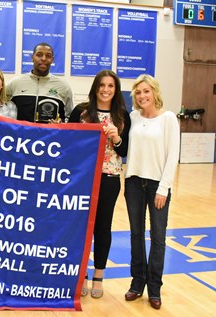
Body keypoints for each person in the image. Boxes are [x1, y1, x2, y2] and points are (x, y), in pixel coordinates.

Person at [68, 70, 130, 299]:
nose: (106, 89)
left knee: (103, 228)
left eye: (111, 86)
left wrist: (116, 138)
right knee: (81, 227)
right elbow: (69, 145)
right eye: (102, 85)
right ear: (95, 87)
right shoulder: (81, 112)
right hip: (82, 178)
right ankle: (81, 273)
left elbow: (124, 151)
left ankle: (99, 276)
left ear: (116, 89)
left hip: (110, 178)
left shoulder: (123, 115)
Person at [123, 74, 179, 310]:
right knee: (136, 234)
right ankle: (138, 283)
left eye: (146, 91)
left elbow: (172, 156)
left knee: (158, 238)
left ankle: (154, 287)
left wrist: (164, 188)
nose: (142, 95)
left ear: (155, 92)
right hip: (134, 183)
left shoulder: (168, 119)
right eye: (138, 92)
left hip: (157, 185)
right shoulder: (133, 117)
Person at [6, 42, 73, 122]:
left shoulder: (63, 87)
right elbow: (1, 110)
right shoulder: (15, 84)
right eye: (39, 55)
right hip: (21, 134)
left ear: (52, 59)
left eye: (48, 56)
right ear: (32, 57)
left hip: (51, 134)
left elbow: (69, 118)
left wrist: (61, 124)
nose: (44, 59)